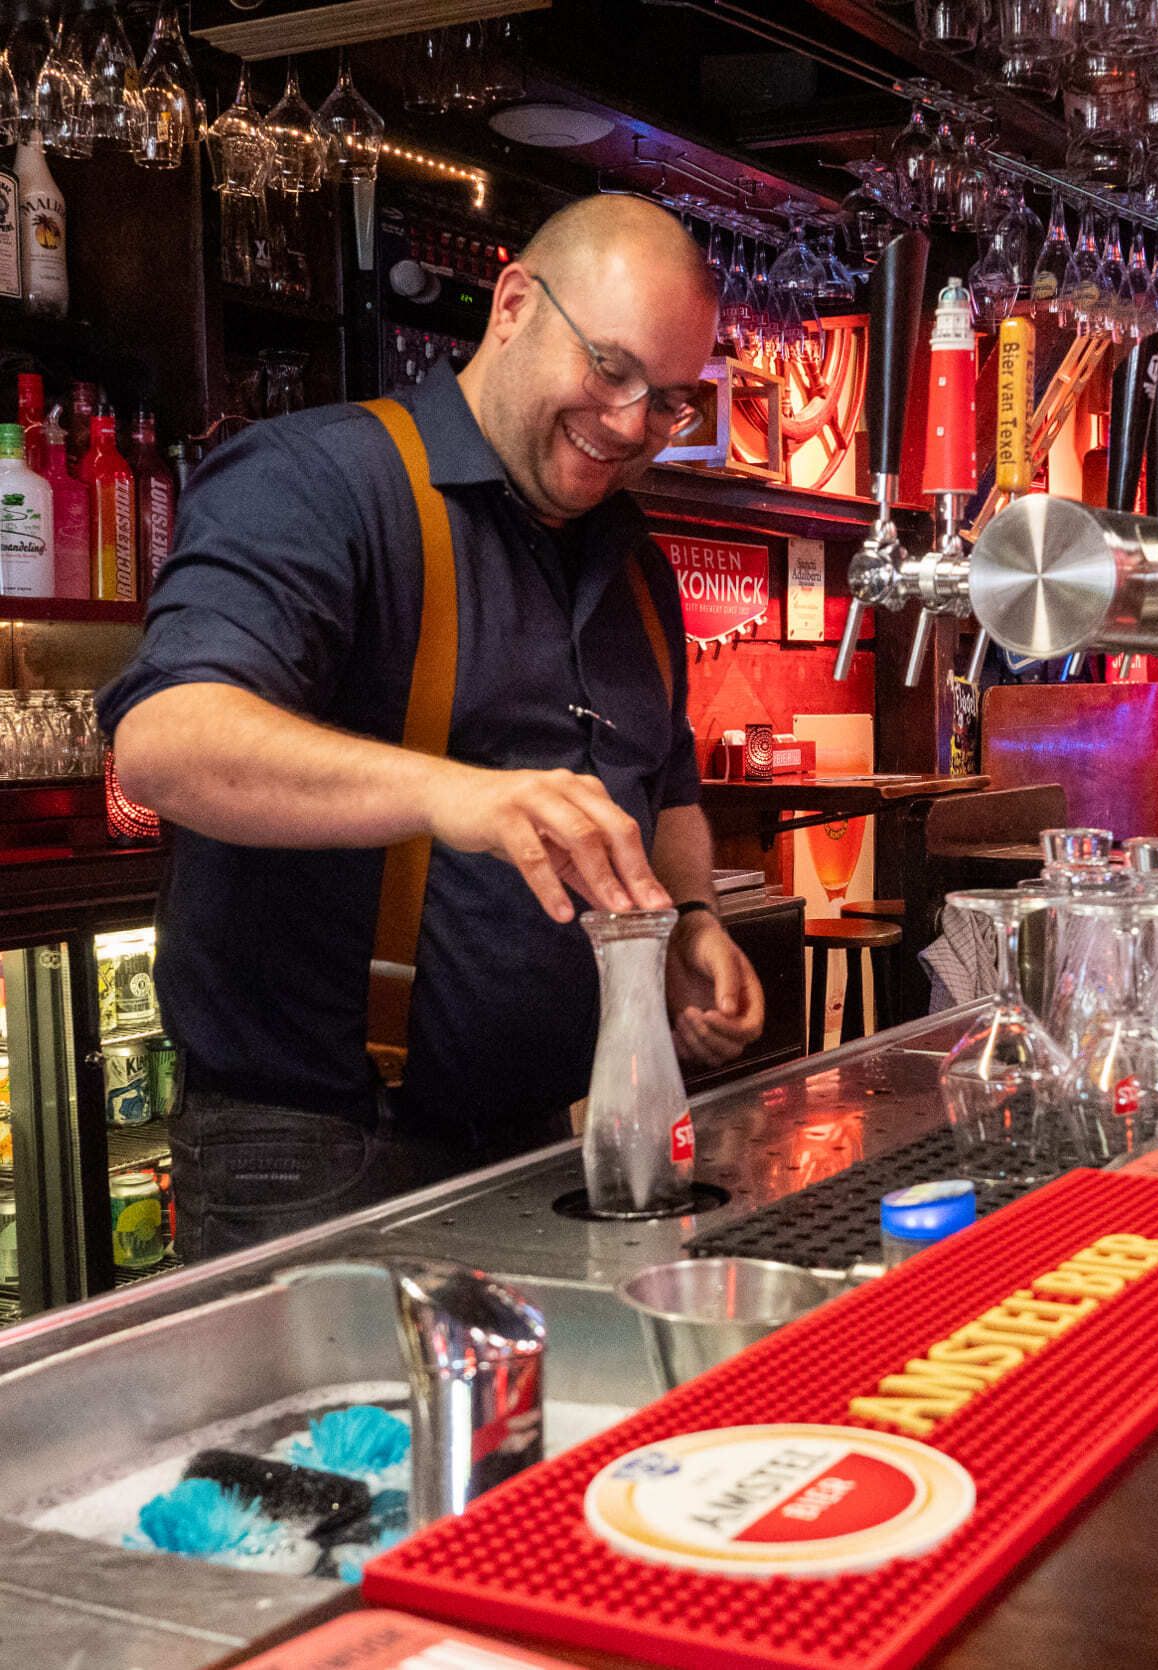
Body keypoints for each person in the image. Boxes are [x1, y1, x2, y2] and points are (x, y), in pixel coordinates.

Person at [99, 195, 765, 1259]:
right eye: (610, 367)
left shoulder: (629, 557)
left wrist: (688, 919)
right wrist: (453, 791)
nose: (635, 421)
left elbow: (664, 778)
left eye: (672, 399)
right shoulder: (318, 482)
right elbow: (166, 740)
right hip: (325, 1151)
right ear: (511, 305)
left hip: (542, 1140)